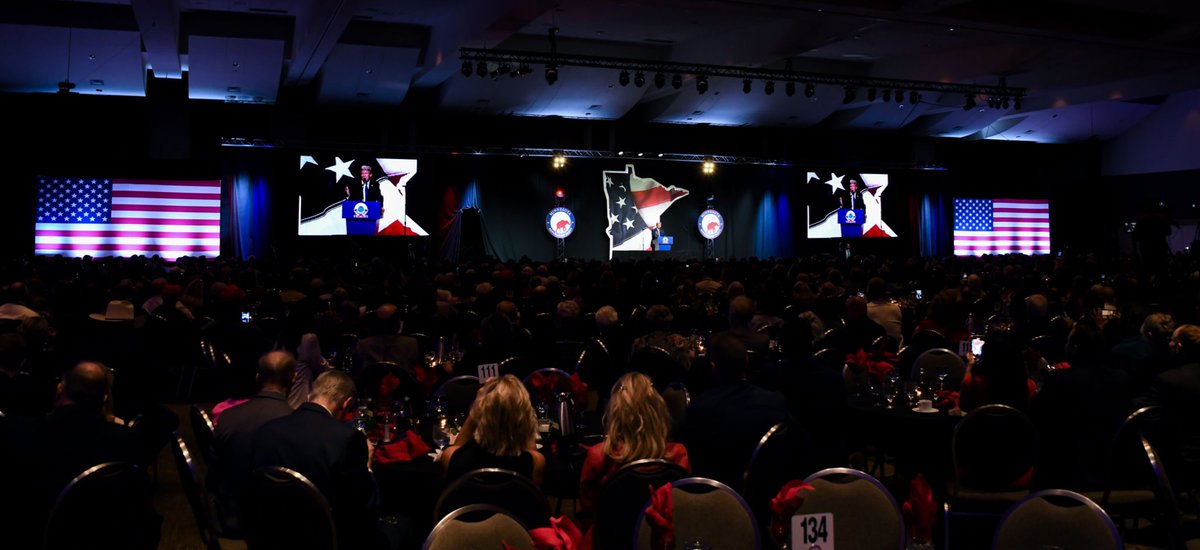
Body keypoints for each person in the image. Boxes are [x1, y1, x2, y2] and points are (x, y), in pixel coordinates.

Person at [0, 361, 147, 549]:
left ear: (59, 390)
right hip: (102, 538)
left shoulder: (15, 432)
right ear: (104, 399)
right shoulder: (128, 441)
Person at [252, 370, 381, 550]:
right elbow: (365, 506)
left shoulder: (266, 431)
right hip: (326, 541)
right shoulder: (346, 439)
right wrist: (367, 465)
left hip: (270, 536)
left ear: (309, 394)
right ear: (347, 403)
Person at [576, 372, 691, 531]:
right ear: (657, 411)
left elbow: (585, 517)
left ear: (614, 412)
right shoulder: (677, 454)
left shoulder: (599, 457)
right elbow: (683, 509)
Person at [679, 332, 792, 488]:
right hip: (765, 491)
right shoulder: (775, 401)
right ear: (746, 362)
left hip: (715, 492)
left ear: (713, 368)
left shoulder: (700, 407)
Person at [208, 350, 297, 534]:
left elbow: (212, 480)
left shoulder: (227, 417)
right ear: (293, 379)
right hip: (277, 528)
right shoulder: (297, 424)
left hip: (230, 519)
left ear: (258, 377)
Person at [440, 375, 546, 485]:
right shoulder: (536, 463)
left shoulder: (450, 457)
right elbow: (532, 451)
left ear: (477, 413)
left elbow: (457, 450)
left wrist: (475, 410)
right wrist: (523, 414)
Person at [1135, 324, 1200, 493]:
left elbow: (1145, 414)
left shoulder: (1167, 380)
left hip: (1182, 459)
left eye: (1172, 340)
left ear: (1178, 346)